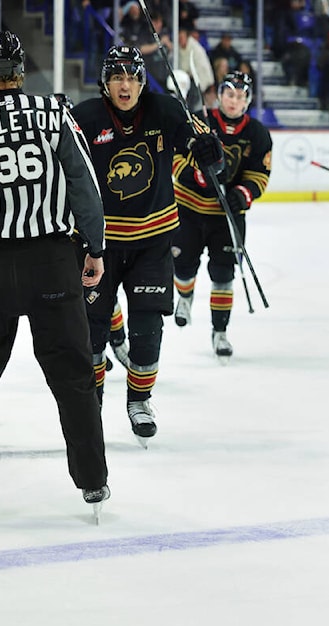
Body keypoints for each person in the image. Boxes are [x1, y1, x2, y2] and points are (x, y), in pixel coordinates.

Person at [70, 45, 224, 444]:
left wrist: (209, 149)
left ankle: (139, 401)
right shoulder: (85, 117)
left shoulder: (166, 110)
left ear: (142, 81)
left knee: (146, 330)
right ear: (105, 83)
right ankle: (93, 404)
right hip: (97, 246)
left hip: (153, 242)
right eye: (117, 78)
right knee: (90, 334)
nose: (126, 85)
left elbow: (199, 144)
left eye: (133, 77)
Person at [0, 31, 110, 512]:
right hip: (52, 263)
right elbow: (83, 184)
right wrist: (95, 249)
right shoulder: (53, 112)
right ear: (20, 69)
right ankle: (92, 480)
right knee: (74, 376)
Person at [172, 71, 273, 359]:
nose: (234, 101)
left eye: (240, 97)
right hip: (189, 208)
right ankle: (186, 296)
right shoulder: (198, 123)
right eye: (230, 95)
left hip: (227, 214)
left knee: (223, 273)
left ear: (247, 101)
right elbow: (175, 159)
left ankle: (220, 332)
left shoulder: (257, 134)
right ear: (220, 96)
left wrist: (242, 193)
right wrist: (199, 176)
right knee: (182, 265)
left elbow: (260, 174)